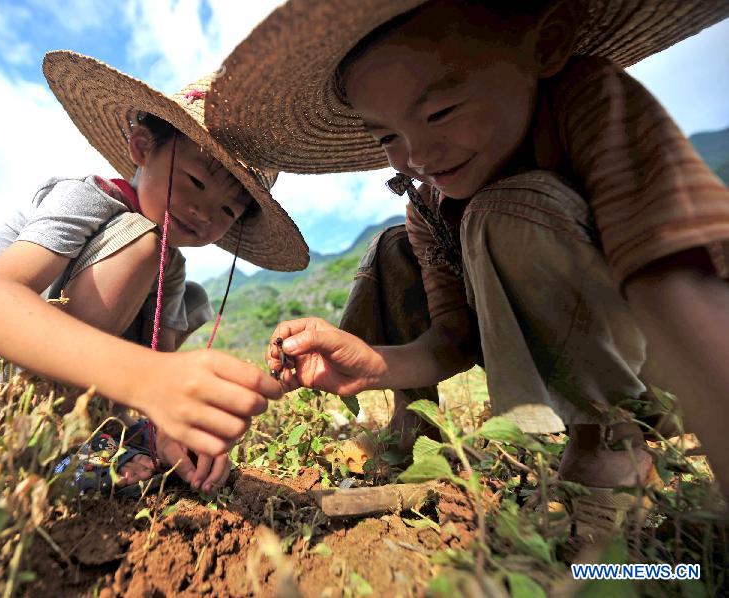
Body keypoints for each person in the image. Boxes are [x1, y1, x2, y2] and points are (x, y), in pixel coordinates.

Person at [208, 0, 729, 510]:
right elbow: (453, 341)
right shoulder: (428, 206)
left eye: (440, 111)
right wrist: (372, 365)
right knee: (392, 247)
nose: (418, 156)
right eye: (388, 135)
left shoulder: (588, 104)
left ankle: (608, 442)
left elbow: (673, 283)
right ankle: (413, 423)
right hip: (559, 343)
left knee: (502, 211)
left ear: (545, 45)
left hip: (672, 365)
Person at [0, 50, 308, 494]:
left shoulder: (171, 266)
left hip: (82, 405)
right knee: (143, 242)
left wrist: (174, 427)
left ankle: (94, 432)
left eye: (228, 209)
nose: (203, 212)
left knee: (188, 295)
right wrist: (148, 379)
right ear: (142, 147)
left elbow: (164, 363)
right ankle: (55, 440)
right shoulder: (86, 198)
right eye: (194, 181)